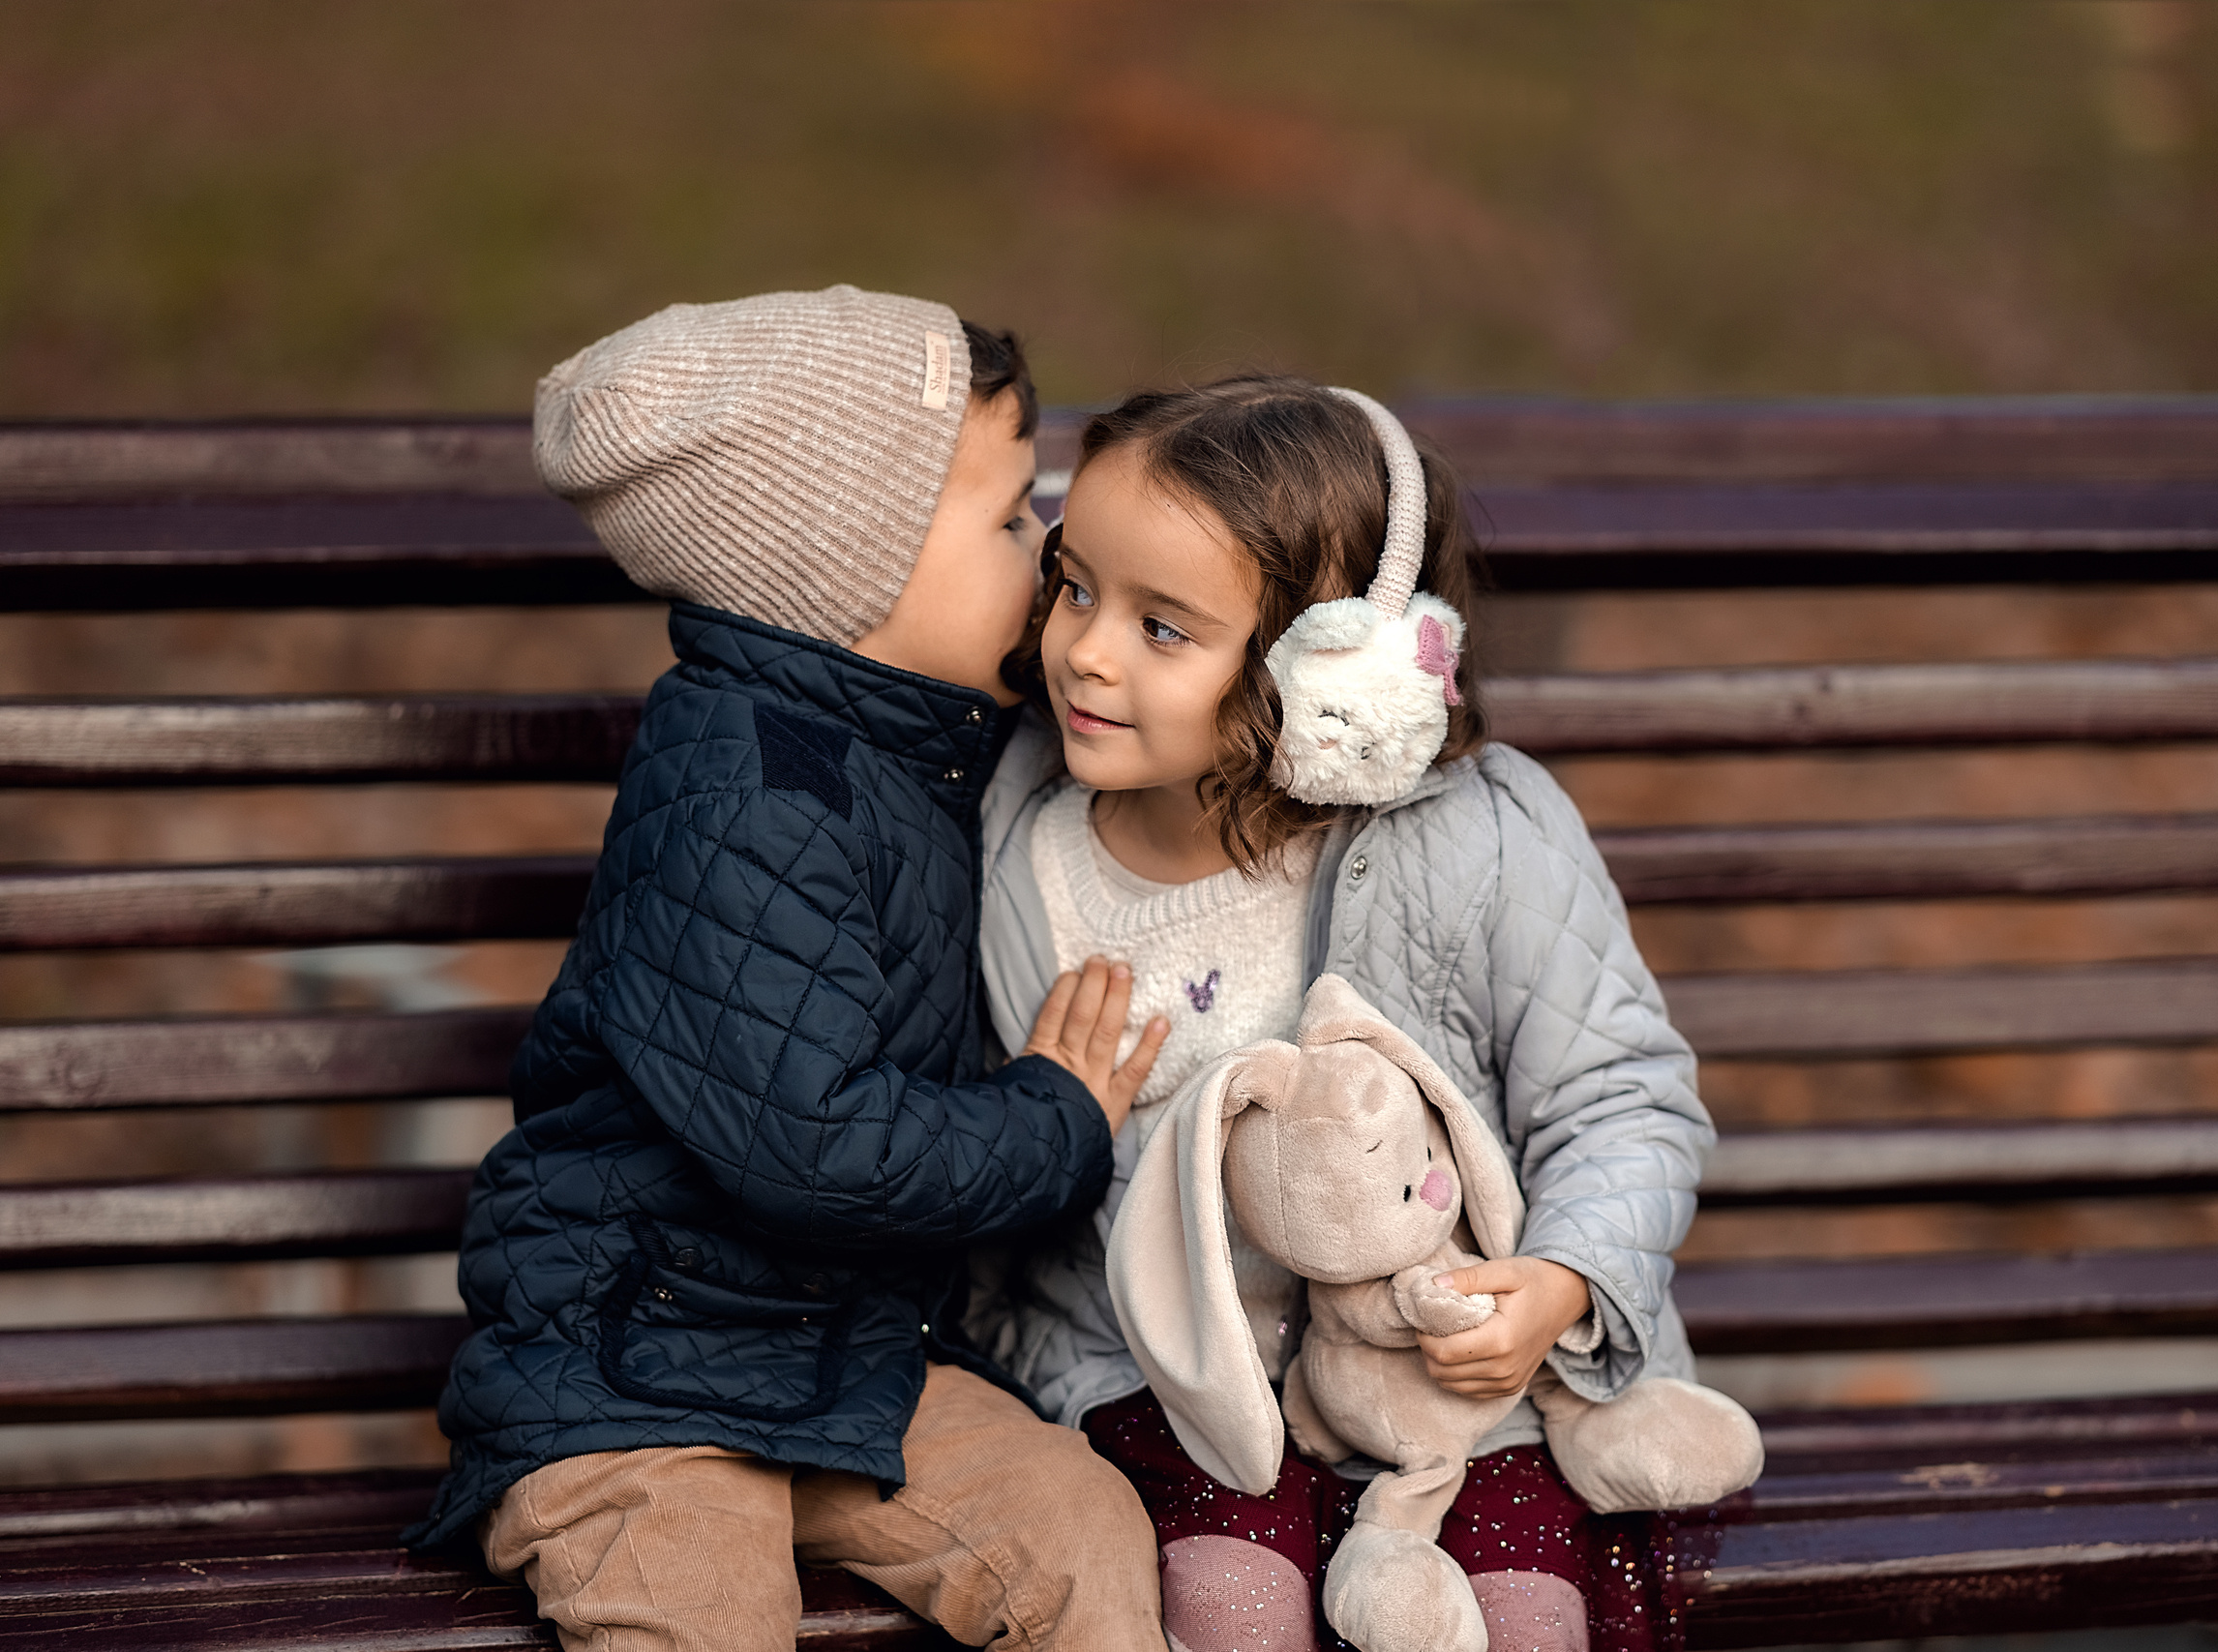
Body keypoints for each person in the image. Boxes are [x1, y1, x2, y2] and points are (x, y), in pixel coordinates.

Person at [405, 286, 1172, 1652]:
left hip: (845, 1358)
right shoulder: (743, 797)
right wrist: (1058, 1121)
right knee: (697, 1614)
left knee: (1080, 1533)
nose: (1045, 548)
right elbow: (818, 1144)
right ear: (847, 576)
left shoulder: (910, 743)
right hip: (636, 1374)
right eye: (1005, 516)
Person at [972, 375, 1720, 1652]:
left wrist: (1561, 1284)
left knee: (1524, 1620)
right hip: (1158, 1380)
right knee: (1229, 1609)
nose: (1086, 649)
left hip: (1446, 1387)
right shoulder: (1012, 856)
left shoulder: (1482, 840)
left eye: (1165, 627)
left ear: (1340, 673)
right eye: (1076, 585)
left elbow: (1622, 1095)